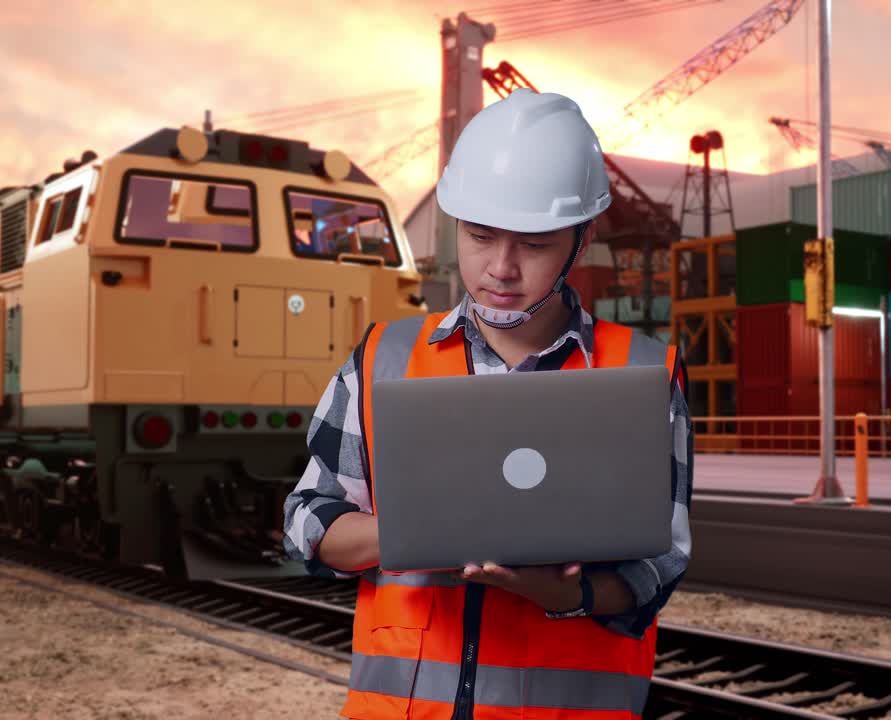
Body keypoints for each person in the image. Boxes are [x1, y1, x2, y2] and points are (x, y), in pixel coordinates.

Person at [282, 87, 693, 720]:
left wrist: (566, 594)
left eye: (532, 245)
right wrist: (413, 537)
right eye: (479, 237)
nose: (499, 268)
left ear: (579, 245)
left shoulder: (644, 371)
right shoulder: (382, 358)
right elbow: (309, 520)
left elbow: (661, 562)